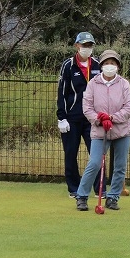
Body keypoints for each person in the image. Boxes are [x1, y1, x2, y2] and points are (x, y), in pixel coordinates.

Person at [75, 50, 130, 211]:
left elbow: (129, 108)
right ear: (101, 66)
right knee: (94, 163)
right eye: (107, 63)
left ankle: (113, 197)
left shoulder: (124, 84)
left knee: (120, 166)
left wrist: (112, 118)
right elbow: (87, 108)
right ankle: (81, 196)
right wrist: (100, 119)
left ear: (118, 66)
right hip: (100, 131)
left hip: (121, 130)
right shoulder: (93, 84)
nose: (110, 66)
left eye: (113, 63)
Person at [57, 31, 101, 199]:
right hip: (72, 118)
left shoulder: (97, 64)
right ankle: (74, 188)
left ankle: (99, 188)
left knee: (96, 154)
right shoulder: (68, 65)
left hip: (92, 119)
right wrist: (61, 117)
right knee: (70, 153)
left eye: (89, 45)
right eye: (84, 45)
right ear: (77, 46)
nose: (87, 48)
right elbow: (62, 92)